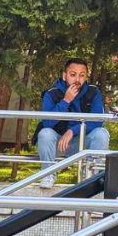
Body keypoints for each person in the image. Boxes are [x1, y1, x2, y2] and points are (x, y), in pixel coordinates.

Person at [34, 58, 108, 189]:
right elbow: (47, 122)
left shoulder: (93, 92)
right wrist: (65, 101)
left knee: (102, 134)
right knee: (45, 133)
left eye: (82, 75)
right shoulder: (51, 94)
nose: (77, 80)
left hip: (82, 143)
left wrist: (72, 130)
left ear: (86, 76)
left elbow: (98, 121)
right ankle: (48, 174)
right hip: (57, 144)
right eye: (73, 75)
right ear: (65, 75)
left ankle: (90, 176)